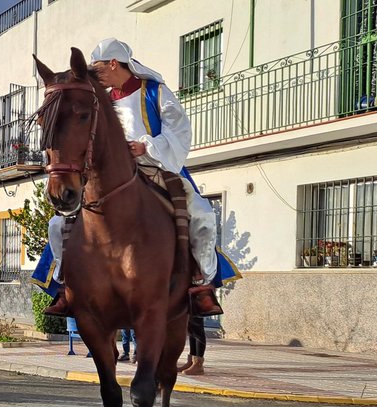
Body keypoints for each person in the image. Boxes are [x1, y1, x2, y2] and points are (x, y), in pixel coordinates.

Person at [44, 38, 240, 317]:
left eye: (97, 69)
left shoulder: (155, 92)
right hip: (108, 177)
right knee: (58, 222)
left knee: (202, 215)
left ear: (113, 64)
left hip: (155, 168)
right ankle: (64, 285)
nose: (94, 76)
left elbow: (180, 131)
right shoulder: (99, 101)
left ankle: (201, 284)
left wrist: (145, 146)